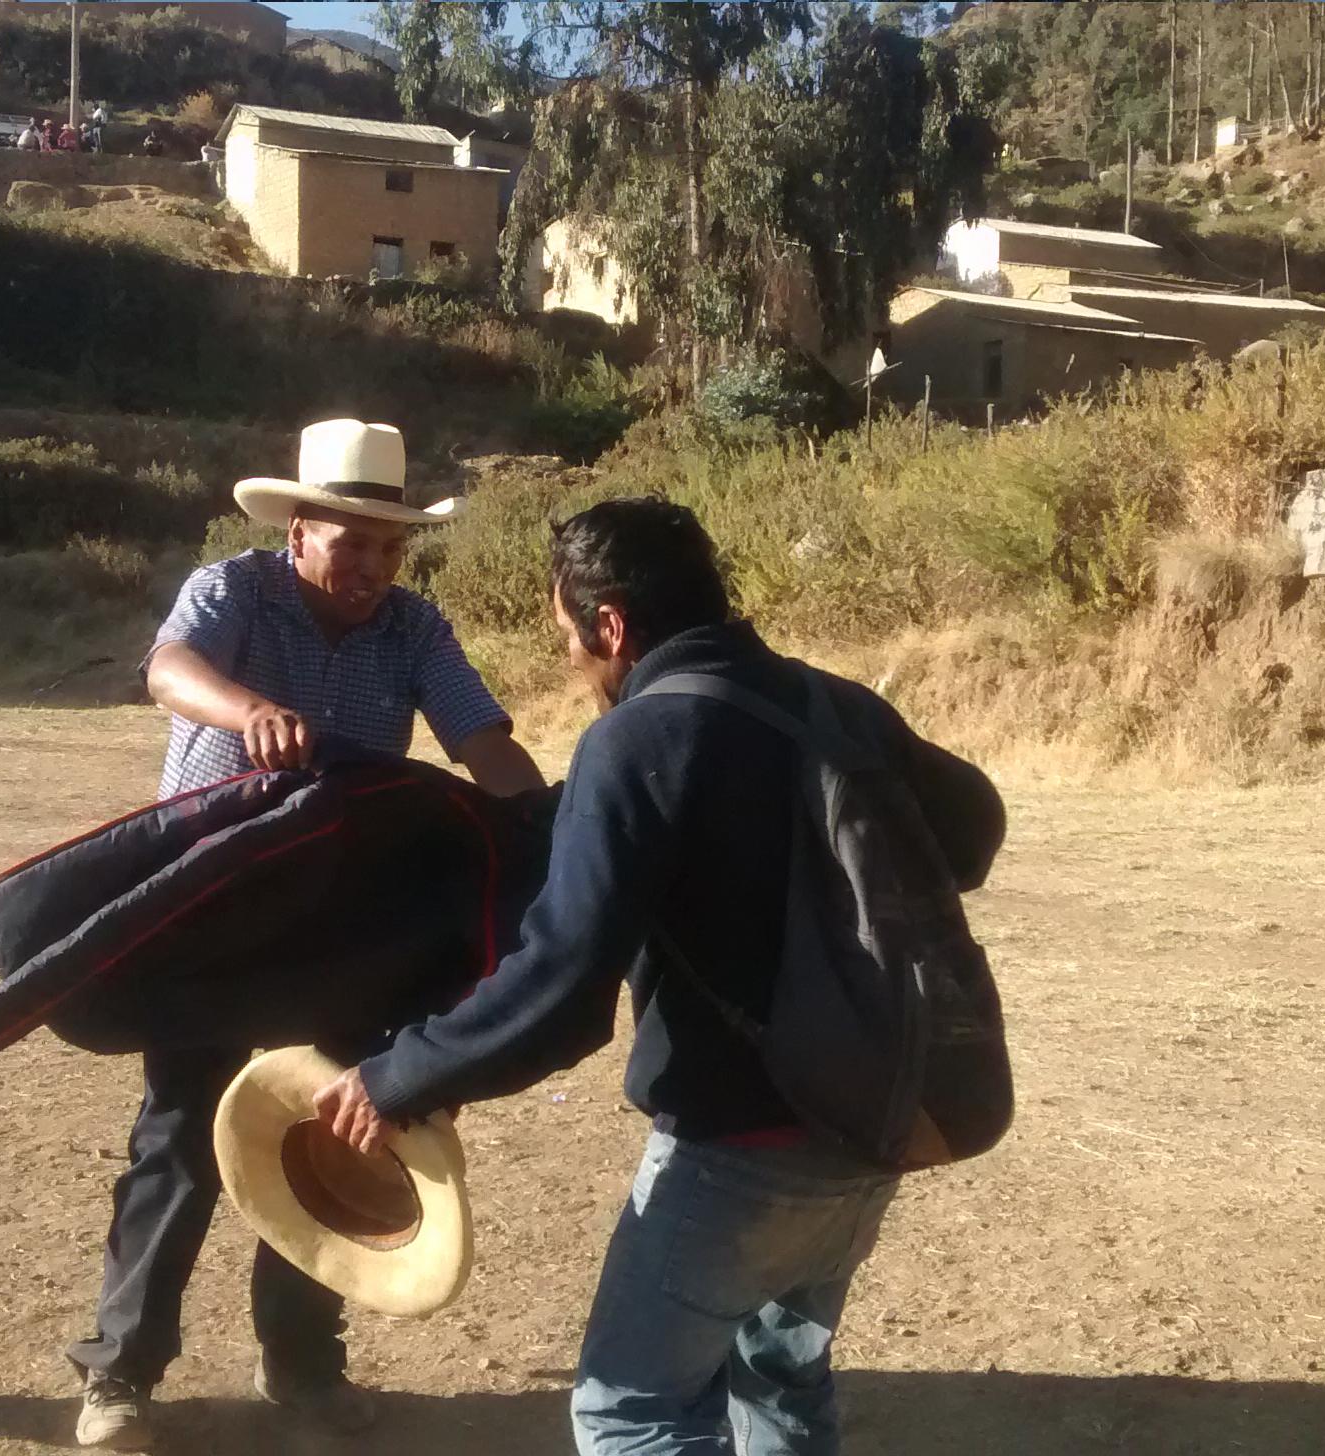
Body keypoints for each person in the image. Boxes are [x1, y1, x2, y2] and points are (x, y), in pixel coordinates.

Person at [316, 498, 1007, 1456]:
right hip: (878, 1115)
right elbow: (974, 830)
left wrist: (399, 1077)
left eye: (568, 634)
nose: (570, 659)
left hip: (742, 1147)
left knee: (630, 1412)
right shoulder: (832, 701)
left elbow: (562, 987)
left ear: (611, 625)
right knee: (776, 1379)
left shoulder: (636, 739)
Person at [68, 419, 543, 1451]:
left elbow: (483, 742)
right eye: (351, 540)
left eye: (388, 545)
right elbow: (167, 671)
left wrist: (546, 823)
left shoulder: (415, 630)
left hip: (341, 920)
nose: (372, 564)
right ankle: (121, 1375)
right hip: (210, 908)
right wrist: (248, 713)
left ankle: (301, 1367)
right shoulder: (231, 591)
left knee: (327, 1134)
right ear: (298, 533)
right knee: (181, 1134)